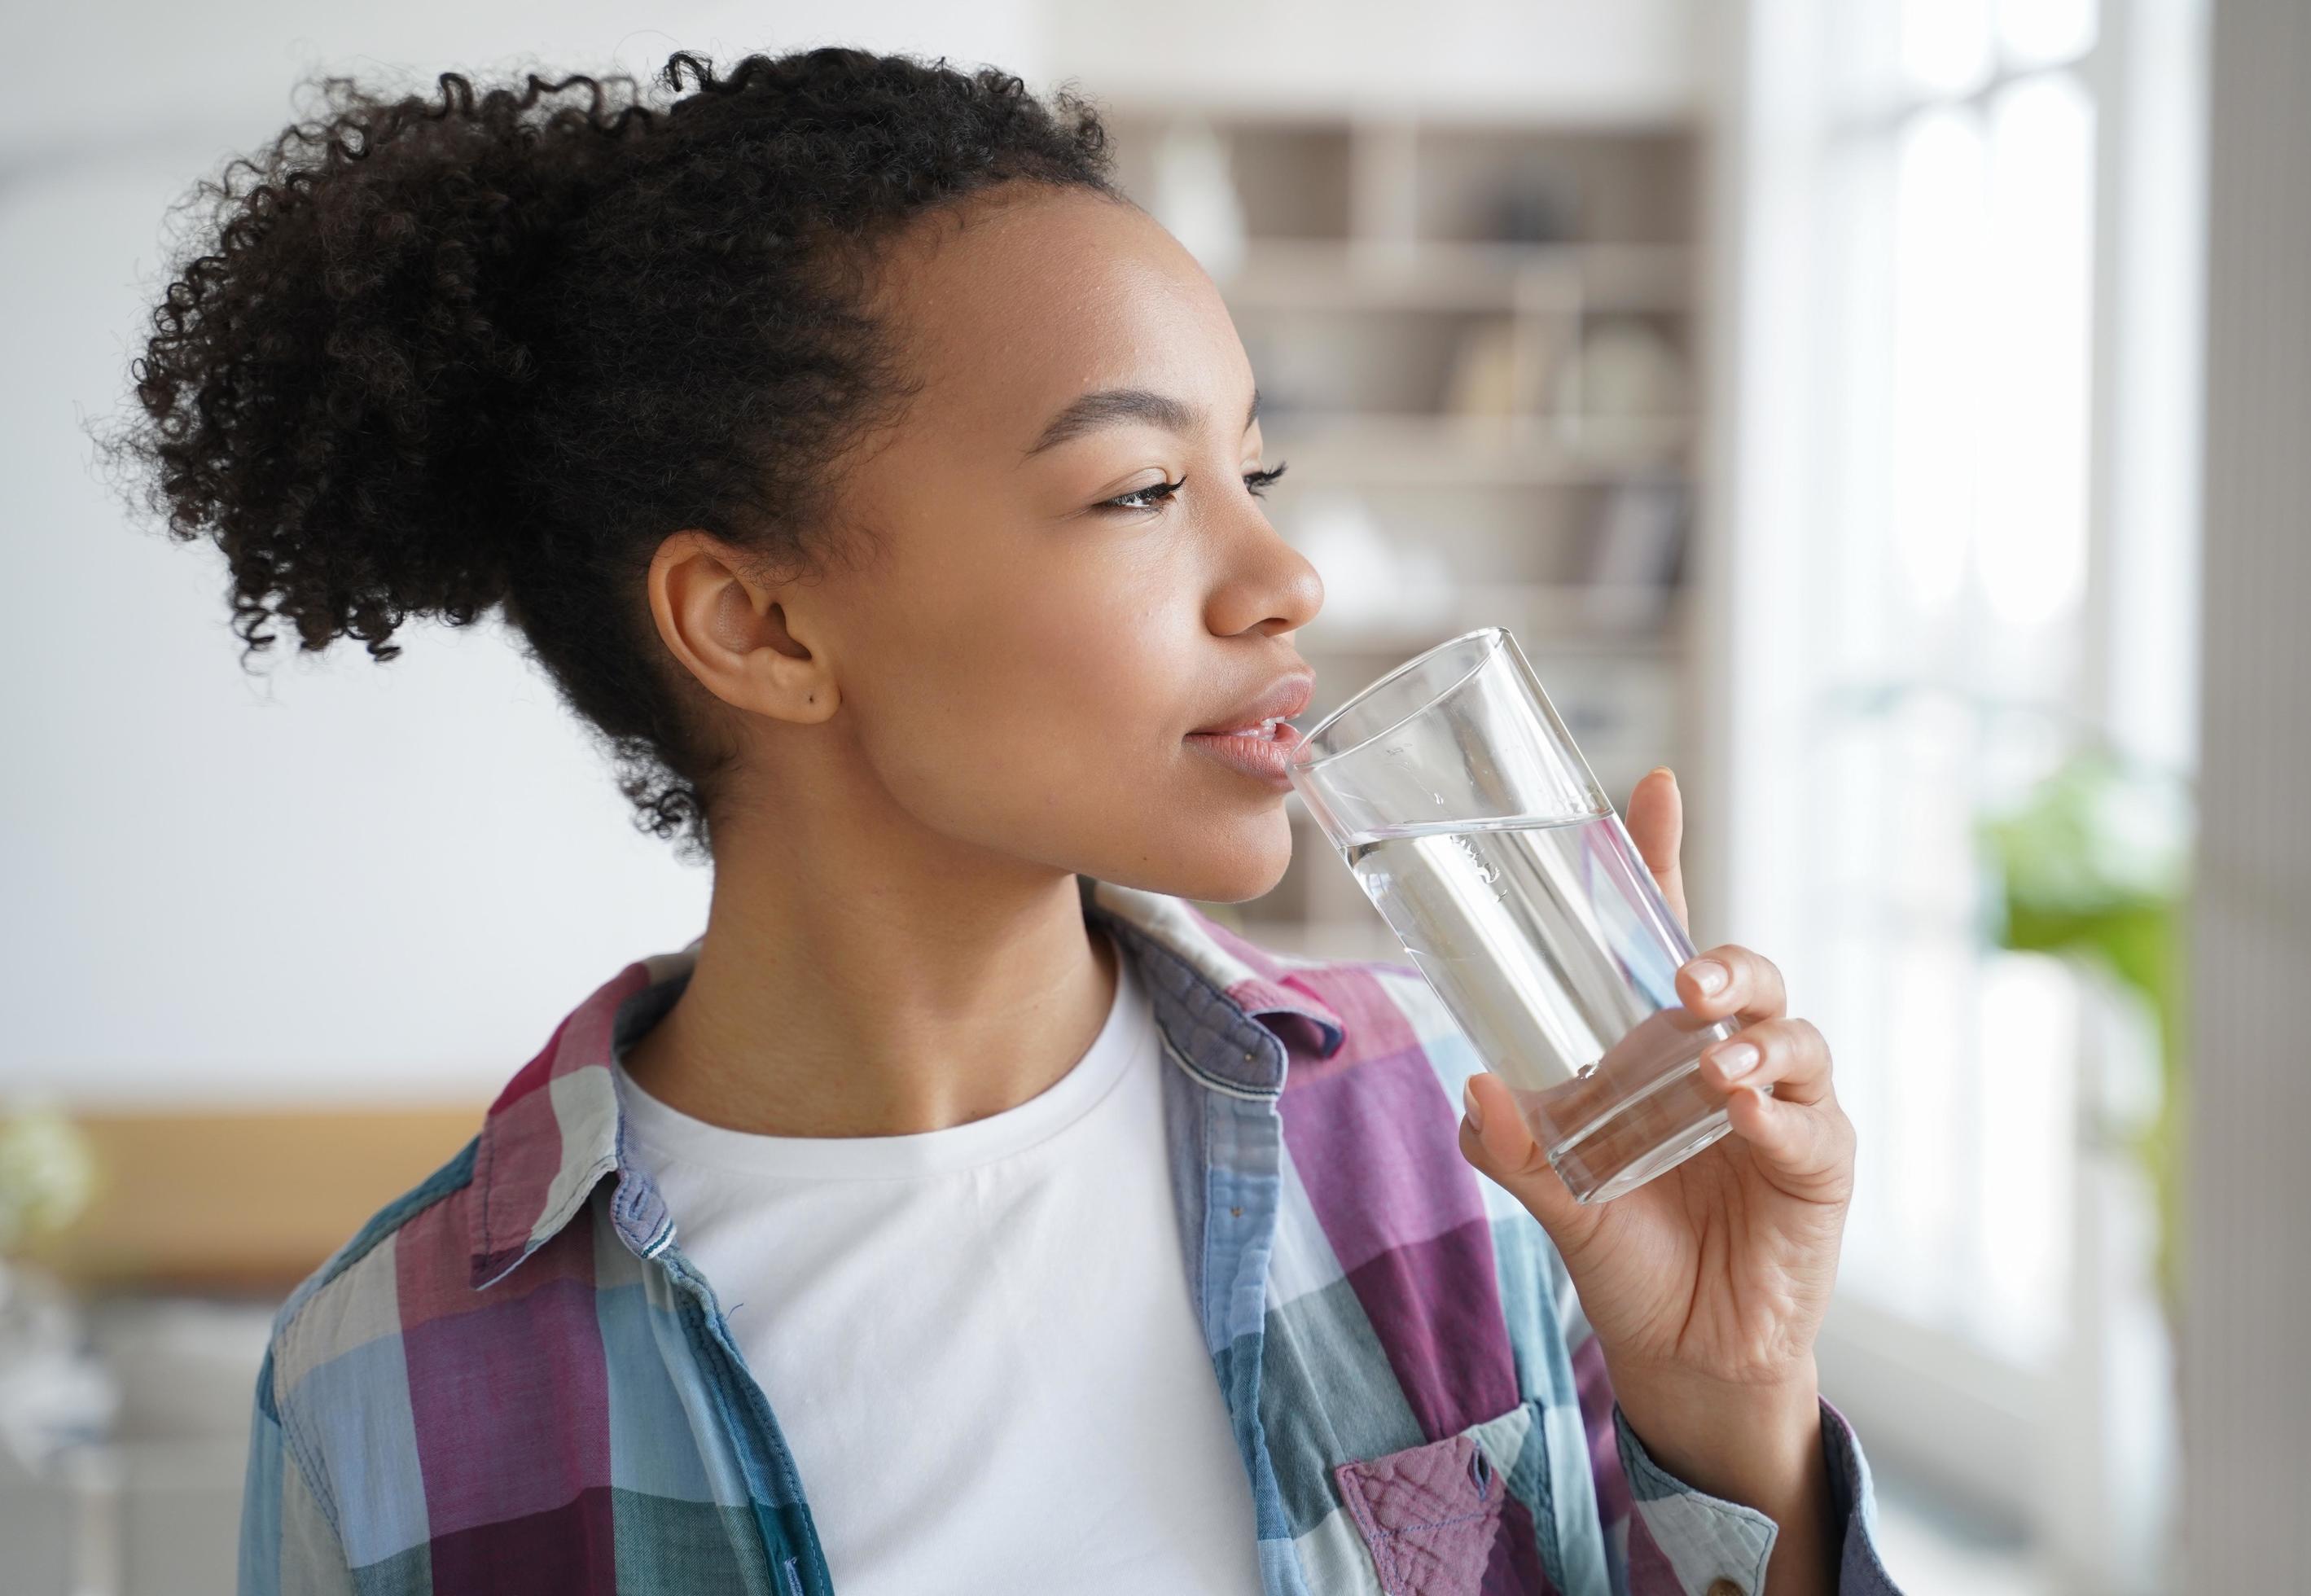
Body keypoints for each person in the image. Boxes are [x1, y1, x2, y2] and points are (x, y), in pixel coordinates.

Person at [108, 46, 1898, 1596]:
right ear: (764, 625)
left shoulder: (1481, 1129)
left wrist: (1734, 1405)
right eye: (1139, 487)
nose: (1284, 573)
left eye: (1249, 473)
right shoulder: (391, 1376)